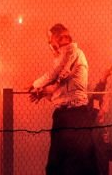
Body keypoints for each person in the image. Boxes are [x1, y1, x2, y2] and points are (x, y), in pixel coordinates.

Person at [29, 23, 98, 175]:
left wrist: (35, 85)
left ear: (58, 39)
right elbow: (58, 90)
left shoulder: (71, 52)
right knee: (57, 164)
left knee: (77, 163)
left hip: (75, 114)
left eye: (51, 39)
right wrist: (42, 92)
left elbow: (54, 74)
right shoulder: (64, 57)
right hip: (64, 115)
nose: (50, 44)